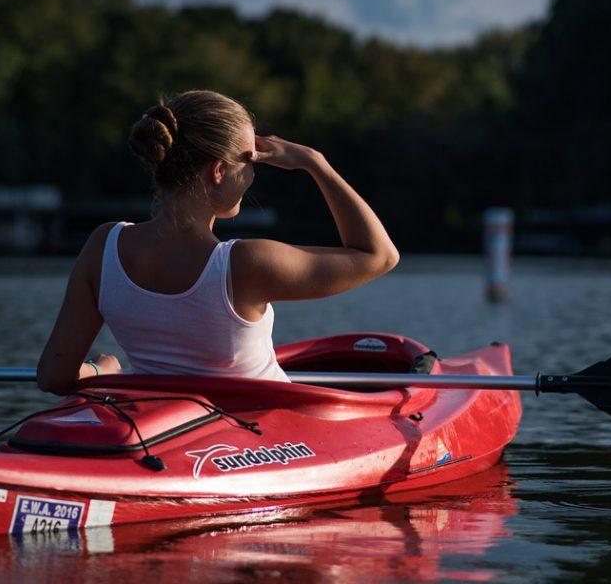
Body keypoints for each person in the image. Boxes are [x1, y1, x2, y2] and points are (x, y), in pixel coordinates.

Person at [37, 90, 399, 395]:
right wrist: (316, 164)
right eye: (251, 159)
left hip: (170, 435)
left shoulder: (104, 246)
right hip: (262, 442)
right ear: (219, 171)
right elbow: (379, 255)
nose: (254, 173)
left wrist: (103, 374)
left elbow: (54, 376)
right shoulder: (246, 263)